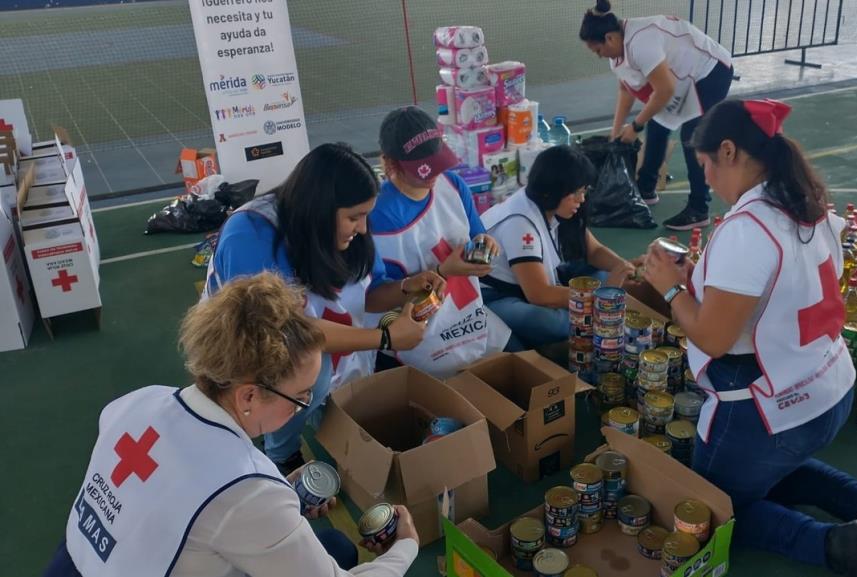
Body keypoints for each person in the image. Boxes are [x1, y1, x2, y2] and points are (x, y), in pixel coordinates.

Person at [643, 99, 857, 577]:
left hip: (767, 410)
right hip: (828, 390)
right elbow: (770, 294)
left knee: (711, 507)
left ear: (728, 151)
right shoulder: (805, 206)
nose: (705, 178)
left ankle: (837, 544)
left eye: (706, 163)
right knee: (772, 467)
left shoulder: (747, 229)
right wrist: (700, 281)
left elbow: (711, 338)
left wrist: (668, 287)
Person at [43, 273, 419, 577]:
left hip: (69, 563)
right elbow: (231, 499)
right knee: (337, 550)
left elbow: (176, 495)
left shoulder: (137, 401)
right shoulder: (249, 491)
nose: (305, 407)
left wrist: (276, 494)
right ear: (249, 397)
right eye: (301, 396)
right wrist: (405, 548)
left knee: (334, 546)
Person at [204, 142, 440, 473]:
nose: (363, 229)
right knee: (311, 371)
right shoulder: (251, 236)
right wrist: (386, 338)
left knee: (324, 378)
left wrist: (405, 288)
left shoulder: (335, 231)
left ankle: (313, 410)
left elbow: (365, 295)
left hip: (306, 334)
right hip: (245, 342)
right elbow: (291, 333)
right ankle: (281, 454)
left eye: (366, 215)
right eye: (354, 217)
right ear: (320, 209)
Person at [370, 106, 513, 376]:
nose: (434, 175)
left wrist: (484, 244)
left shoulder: (453, 184)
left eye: (438, 163)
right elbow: (373, 301)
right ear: (390, 163)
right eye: (423, 170)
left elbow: (477, 236)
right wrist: (442, 272)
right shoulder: (374, 215)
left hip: (467, 318)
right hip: (416, 338)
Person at [580, 0, 734, 231]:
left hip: (710, 72)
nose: (599, 56)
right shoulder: (618, 51)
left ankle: (699, 209)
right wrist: (615, 134)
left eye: (598, 50)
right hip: (681, 77)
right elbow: (626, 89)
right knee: (659, 125)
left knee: (692, 137)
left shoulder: (642, 42)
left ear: (610, 38)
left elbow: (665, 90)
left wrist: (635, 126)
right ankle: (646, 188)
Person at [480, 145, 635, 348]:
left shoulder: (554, 205)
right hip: (494, 296)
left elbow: (593, 251)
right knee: (550, 323)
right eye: (576, 192)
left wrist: (623, 267)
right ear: (554, 190)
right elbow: (540, 294)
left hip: (532, 284)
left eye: (584, 191)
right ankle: (584, 316)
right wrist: (601, 295)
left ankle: (583, 313)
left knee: (603, 274)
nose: (582, 199)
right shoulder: (519, 224)